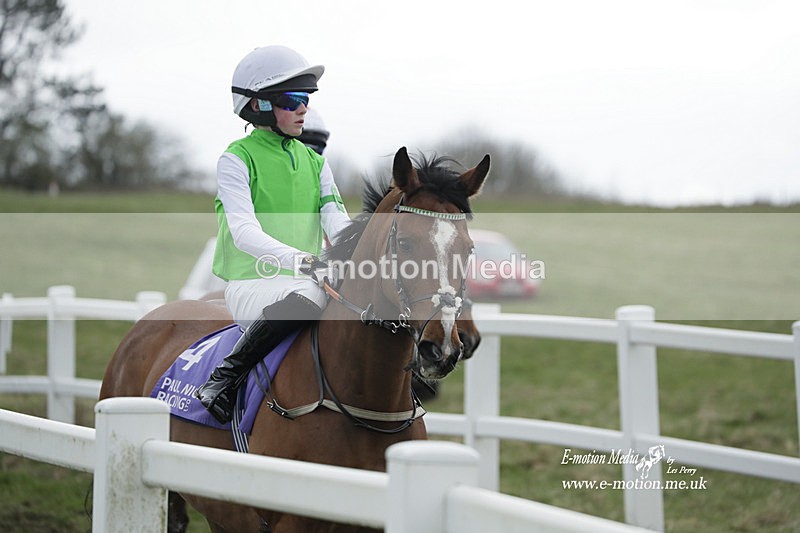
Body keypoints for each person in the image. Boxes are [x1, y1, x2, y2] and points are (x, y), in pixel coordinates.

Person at [195, 45, 350, 424]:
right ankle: (224, 378)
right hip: (251, 285)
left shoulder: (315, 162)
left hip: (302, 280)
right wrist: (309, 263)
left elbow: (337, 221)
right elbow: (245, 233)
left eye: (307, 99)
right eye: (293, 100)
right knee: (313, 291)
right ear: (260, 105)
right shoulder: (235, 159)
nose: (304, 109)